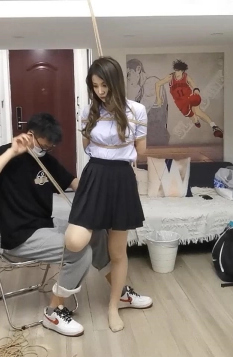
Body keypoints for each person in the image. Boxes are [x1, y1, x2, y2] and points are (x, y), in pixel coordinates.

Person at [0, 112, 152, 337]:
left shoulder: (46, 161)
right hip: (20, 236)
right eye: (44, 145)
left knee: (95, 232)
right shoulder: (4, 153)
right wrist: (12, 151)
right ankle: (53, 312)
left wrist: (103, 195)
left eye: (50, 147)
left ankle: (121, 293)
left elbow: (75, 183)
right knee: (80, 252)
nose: (46, 150)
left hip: (45, 225)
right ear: (30, 135)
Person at [64, 56, 154, 333]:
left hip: (122, 178)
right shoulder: (87, 111)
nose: (100, 91)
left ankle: (115, 305)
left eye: (104, 85)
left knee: (117, 251)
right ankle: (65, 291)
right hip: (94, 174)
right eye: (95, 86)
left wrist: (122, 128)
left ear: (116, 83)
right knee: (74, 240)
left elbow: (141, 151)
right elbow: (86, 146)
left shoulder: (137, 110)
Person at [154, 59, 224, 138]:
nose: (177, 73)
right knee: (192, 117)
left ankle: (214, 127)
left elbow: (193, 84)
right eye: (176, 71)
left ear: (183, 71)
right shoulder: (170, 77)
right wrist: (158, 98)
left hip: (189, 97)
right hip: (180, 102)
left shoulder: (186, 76)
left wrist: (196, 89)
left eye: (179, 71)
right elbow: (157, 84)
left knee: (198, 111)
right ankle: (196, 121)